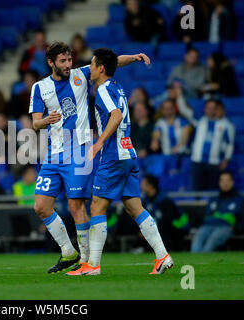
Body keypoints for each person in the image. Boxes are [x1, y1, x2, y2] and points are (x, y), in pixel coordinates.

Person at [29, 41, 151, 273]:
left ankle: (86, 260)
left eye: (69, 60)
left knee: (76, 205)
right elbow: (35, 122)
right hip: (53, 154)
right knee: (41, 206)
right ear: (50, 62)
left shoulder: (81, 76)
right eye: (62, 61)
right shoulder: (39, 87)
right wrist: (47, 120)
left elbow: (111, 62)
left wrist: (134, 56)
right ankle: (68, 251)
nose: (68, 65)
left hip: (79, 150)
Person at [68, 48, 172, 276]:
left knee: (97, 205)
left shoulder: (103, 90)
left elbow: (115, 116)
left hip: (113, 155)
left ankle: (93, 264)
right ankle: (162, 255)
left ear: (101, 68)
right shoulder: (116, 86)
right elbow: (114, 62)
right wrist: (134, 58)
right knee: (134, 206)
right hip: (128, 152)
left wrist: (98, 143)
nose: (90, 67)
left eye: (93, 64)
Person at [191, 171, 244, 252]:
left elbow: (242, 219)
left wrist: (236, 228)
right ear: (219, 182)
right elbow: (206, 215)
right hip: (208, 225)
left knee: (212, 240)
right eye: (222, 180)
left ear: (232, 182)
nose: (224, 183)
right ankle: (194, 263)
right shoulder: (213, 199)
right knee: (197, 238)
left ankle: (204, 262)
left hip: (225, 227)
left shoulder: (239, 200)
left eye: (227, 180)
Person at [191, 99, 235, 191]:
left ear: (217, 109)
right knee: (197, 189)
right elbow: (186, 111)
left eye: (213, 108)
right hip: (197, 160)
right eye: (208, 108)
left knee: (212, 190)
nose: (211, 110)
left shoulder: (226, 125)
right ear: (205, 109)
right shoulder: (200, 121)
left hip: (214, 162)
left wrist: (226, 160)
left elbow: (229, 144)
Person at [140, 175, 189, 251]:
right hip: (159, 230)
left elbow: (168, 222)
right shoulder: (146, 201)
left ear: (151, 186)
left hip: (175, 228)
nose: (141, 186)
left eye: (143, 184)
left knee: (162, 231)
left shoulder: (164, 200)